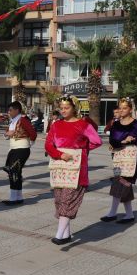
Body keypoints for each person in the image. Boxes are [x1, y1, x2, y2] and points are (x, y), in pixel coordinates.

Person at [45, 96, 102, 245]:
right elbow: (48, 145)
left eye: (67, 108)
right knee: (59, 200)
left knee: (67, 200)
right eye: (61, 108)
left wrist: (81, 151)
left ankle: (59, 234)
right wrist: (59, 154)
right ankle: (66, 235)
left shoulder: (83, 125)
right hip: (59, 167)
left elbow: (96, 141)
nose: (63, 110)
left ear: (74, 108)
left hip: (76, 168)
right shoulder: (56, 125)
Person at [101, 98, 137, 224]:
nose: (122, 110)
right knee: (117, 182)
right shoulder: (116, 124)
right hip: (118, 157)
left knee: (124, 184)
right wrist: (122, 141)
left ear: (130, 109)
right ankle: (127, 214)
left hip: (131, 158)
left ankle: (114, 213)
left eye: (125, 108)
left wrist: (132, 139)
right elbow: (112, 141)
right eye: (120, 108)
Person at [2, 101, 37, 205]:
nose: (9, 112)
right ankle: (19, 197)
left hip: (22, 149)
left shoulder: (23, 120)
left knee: (13, 171)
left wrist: (28, 144)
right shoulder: (13, 121)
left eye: (10, 110)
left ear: (17, 110)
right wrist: (7, 134)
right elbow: (9, 134)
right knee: (16, 172)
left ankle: (13, 198)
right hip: (13, 149)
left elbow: (33, 134)